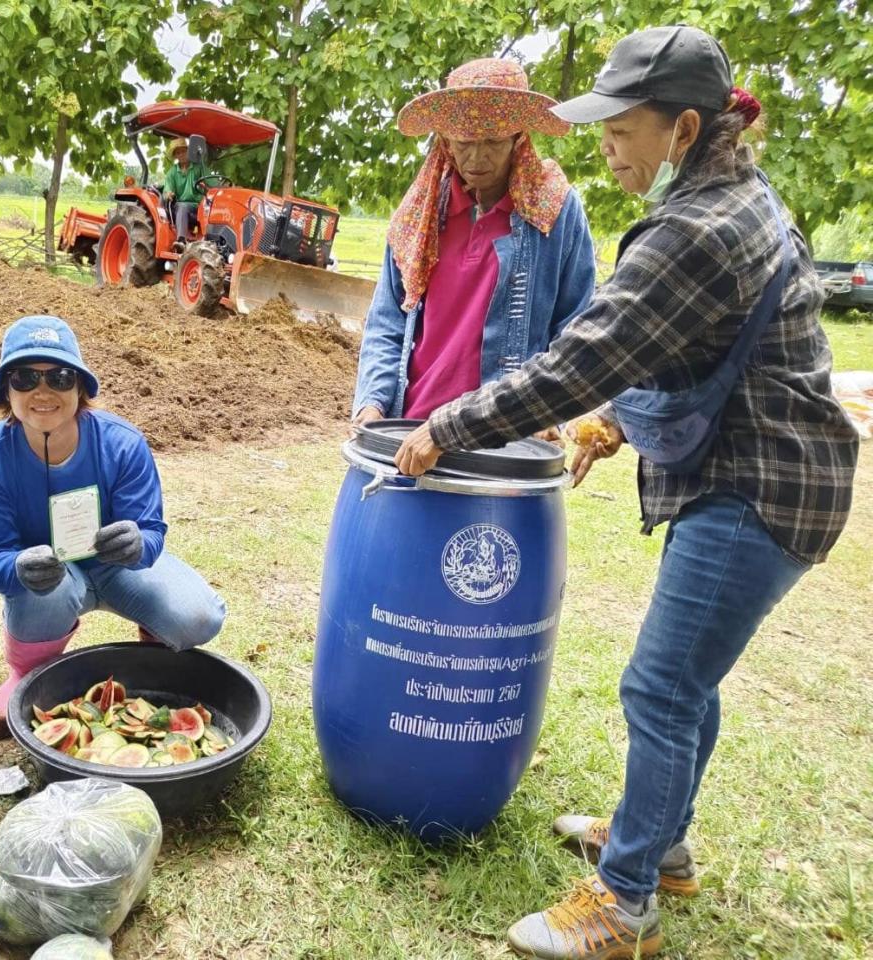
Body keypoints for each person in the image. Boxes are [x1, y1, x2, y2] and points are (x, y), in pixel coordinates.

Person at [393, 26, 859, 959]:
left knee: (660, 684)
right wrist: (619, 422)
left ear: (683, 129)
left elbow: (582, 359)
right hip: (775, 473)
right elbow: (689, 347)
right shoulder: (729, 195)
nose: (605, 144)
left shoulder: (695, 228)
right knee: (690, 681)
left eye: (621, 128)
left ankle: (625, 901)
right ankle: (665, 844)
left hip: (757, 488)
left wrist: (448, 425)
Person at [0, 315, 227, 737]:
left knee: (198, 616)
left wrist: (138, 544)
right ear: (5, 391)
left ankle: (154, 648)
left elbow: (152, 529)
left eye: (61, 377)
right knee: (40, 588)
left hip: (119, 568)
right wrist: (17, 568)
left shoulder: (123, 443)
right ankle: (26, 675)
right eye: (25, 378)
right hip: (50, 582)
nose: (43, 391)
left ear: (81, 387)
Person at [353, 58, 597, 428]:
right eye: (464, 143)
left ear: (519, 139)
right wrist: (372, 403)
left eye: (494, 142)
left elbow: (575, 325)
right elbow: (388, 320)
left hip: (506, 432)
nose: (477, 157)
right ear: (446, 141)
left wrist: (552, 414)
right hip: (414, 425)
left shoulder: (555, 210)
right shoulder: (419, 215)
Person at [162, 137, 211, 251]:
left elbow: (213, 184)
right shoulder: (172, 172)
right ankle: (181, 241)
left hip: (199, 207)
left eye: (183, 151)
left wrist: (206, 188)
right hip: (182, 207)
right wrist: (168, 193)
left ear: (188, 152)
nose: (181, 154)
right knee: (182, 206)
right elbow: (167, 189)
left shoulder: (199, 168)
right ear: (175, 156)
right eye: (178, 153)